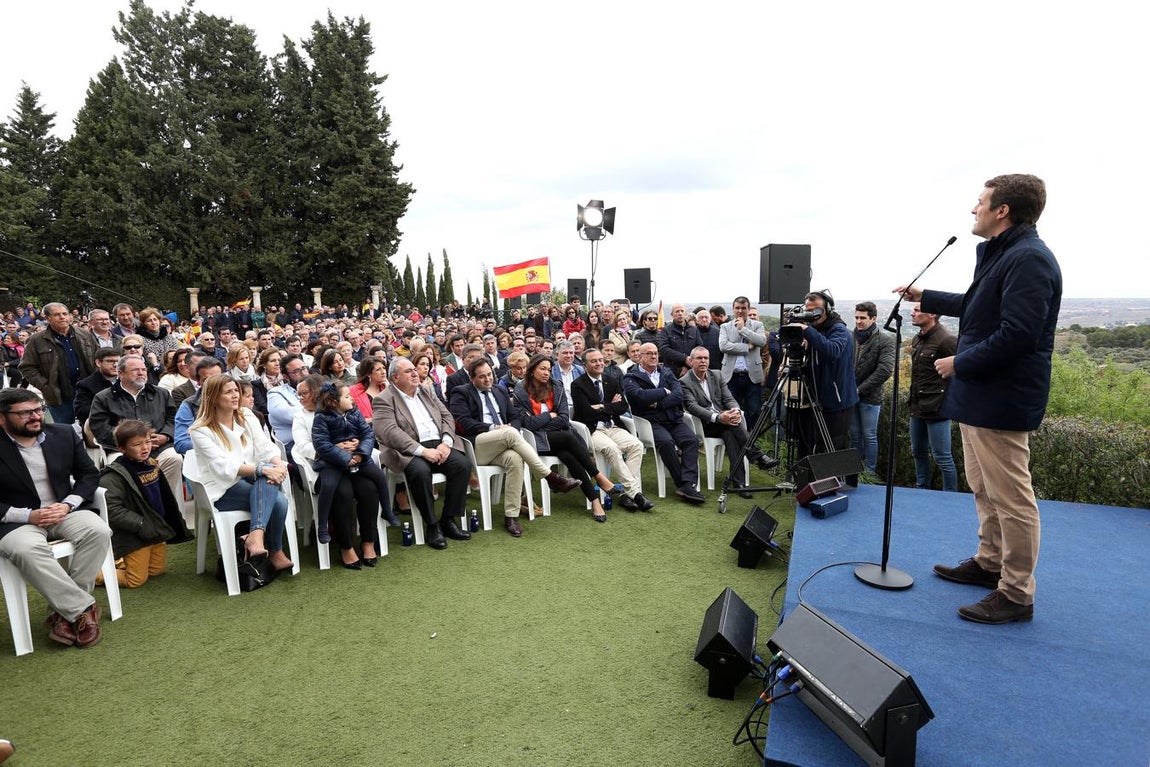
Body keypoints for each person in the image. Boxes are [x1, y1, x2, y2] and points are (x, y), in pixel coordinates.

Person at [897, 173, 1061, 624]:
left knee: (1011, 498)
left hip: (1001, 398)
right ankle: (990, 564)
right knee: (984, 489)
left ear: (1002, 210)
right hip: (980, 397)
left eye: (980, 201)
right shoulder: (1004, 254)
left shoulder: (1029, 259)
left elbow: (1019, 334)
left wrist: (959, 364)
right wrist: (926, 295)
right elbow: (980, 306)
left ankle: (1016, 593)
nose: (974, 208)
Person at [0, 388, 111, 648]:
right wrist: (28, 515)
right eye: (25, 413)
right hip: (16, 520)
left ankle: (64, 614)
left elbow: (89, 476)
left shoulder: (62, 433)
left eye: (38, 409)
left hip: (63, 510)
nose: (35, 417)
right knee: (26, 550)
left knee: (98, 532)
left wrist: (67, 504)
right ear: (2, 418)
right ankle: (83, 609)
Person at [448, 358, 583, 537]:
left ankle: (511, 516)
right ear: (472, 378)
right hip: (479, 446)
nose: (488, 379)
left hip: (504, 442)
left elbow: (515, 417)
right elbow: (463, 422)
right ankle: (550, 477)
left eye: (490, 375)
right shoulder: (461, 392)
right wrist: (495, 428)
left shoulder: (499, 391)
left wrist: (513, 430)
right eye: (482, 377)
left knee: (515, 458)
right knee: (510, 433)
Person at [189, 374, 294, 571]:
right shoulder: (200, 430)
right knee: (278, 501)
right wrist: (263, 469)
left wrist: (278, 464)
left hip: (250, 478)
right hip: (220, 487)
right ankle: (274, 551)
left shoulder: (245, 414)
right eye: (228, 392)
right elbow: (223, 467)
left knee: (268, 480)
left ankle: (255, 537)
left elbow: (265, 446)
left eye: (236, 390)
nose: (235, 395)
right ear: (213, 397)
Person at [372, 358, 472, 550]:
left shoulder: (426, 391)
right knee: (419, 472)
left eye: (414, 369)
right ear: (395, 377)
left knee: (462, 466)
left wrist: (446, 442)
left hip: (439, 443)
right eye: (408, 371)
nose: (415, 373)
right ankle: (432, 525)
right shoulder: (384, 399)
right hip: (408, 450)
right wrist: (422, 451)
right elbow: (390, 432)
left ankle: (448, 520)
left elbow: (446, 416)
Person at [510, 355, 621, 522]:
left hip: (558, 437)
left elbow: (563, 418)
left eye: (548, 369)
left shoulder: (556, 386)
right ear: (532, 371)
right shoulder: (521, 391)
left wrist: (543, 421)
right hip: (535, 440)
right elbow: (528, 424)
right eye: (542, 369)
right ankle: (598, 476)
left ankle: (595, 501)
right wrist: (549, 415)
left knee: (568, 456)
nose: (547, 373)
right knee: (567, 436)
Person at [311, 381, 399, 565]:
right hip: (334, 465)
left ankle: (369, 541)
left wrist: (359, 451)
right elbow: (321, 444)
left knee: (370, 489)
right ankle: (345, 546)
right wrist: (343, 455)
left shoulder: (354, 412)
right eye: (347, 396)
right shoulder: (321, 418)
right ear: (334, 401)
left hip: (358, 462)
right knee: (342, 493)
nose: (352, 398)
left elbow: (368, 435)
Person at [97, 420, 192, 587]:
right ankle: (94, 575)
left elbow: (165, 496)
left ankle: (120, 562)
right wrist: (141, 524)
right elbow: (112, 510)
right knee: (136, 580)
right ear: (122, 448)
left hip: (155, 529)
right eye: (137, 444)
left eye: (148, 442)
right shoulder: (113, 476)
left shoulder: (152, 464)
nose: (145, 447)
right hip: (135, 534)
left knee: (156, 570)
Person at [680, 347, 777, 497]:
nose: (703, 361)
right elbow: (693, 407)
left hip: (723, 422)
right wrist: (718, 417)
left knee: (732, 434)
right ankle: (758, 457)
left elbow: (728, 398)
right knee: (734, 426)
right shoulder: (684, 382)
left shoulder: (716, 375)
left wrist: (736, 411)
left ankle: (739, 483)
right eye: (699, 358)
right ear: (691, 361)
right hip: (704, 425)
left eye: (706, 358)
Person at [571, 349, 653, 511]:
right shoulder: (578, 385)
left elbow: (622, 406)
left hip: (613, 426)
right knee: (612, 449)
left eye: (601, 360)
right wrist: (610, 406)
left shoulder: (611, 379)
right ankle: (636, 493)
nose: (599, 363)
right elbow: (585, 413)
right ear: (585, 365)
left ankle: (625, 495)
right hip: (593, 430)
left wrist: (601, 406)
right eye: (594, 361)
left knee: (637, 445)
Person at [623, 344, 704, 504]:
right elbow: (640, 397)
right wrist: (664, 392)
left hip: (673, 419)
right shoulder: (630, 377)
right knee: (666, 442)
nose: (654, 357)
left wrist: (658, 403)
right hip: (650, 422)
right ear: (640, 356)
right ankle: (683, 484)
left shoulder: (666, 372)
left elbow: (679, 395)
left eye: (656, 354)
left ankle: (688, 483)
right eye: (649, 354)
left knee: (691, 440)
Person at [790, 290, 857, 464]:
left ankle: (833, 485)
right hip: (816, 398)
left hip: (837, 400)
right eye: (809, 310)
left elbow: (832, 350)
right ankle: (810, 480)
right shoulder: (815, 330)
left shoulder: (839, 329)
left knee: (832, 446)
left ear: (827, 308)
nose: (813, 314)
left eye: (816, 310)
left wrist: (808, 332)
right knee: (813, 443)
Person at [18, 302, 98, 425]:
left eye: (65, 314)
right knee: (64, 432)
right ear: (47, 318)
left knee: (92, 429)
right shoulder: (36, 340)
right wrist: (46, 386)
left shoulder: (85, 334)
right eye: (57, 315)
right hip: (59, 395)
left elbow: (98, 359)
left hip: (88, 392)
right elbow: (27, 367)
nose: (62, 317)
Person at [907, 304, 958, 492]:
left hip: (938, 408)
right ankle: (922, 489)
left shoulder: (946, 339)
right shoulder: (917, 339)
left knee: (942, 457)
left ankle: (950, 497)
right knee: (918, 452)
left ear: (933, 313)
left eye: (917, 310)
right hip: (917, 406)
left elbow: (960, 370)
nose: (912, 313)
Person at [851, 301, 895, 477]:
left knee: (869, 435)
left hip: (870, 397)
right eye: (856, 317)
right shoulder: (851, 337)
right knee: (854, 436)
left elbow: (884, 370)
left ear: (873, 318)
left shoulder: (885, 340)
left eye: (863, 318)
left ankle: (869, 473)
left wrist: (859, 389)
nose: (858, 321)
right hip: (851, 395)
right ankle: (853, 472)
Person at [718, 296, 767, 433]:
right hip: (731, 375)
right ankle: (734, 436)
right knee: (731, 407)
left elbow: (761, 341)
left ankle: (751, 437)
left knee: (754, 408)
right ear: (733, 309)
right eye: (737, 308)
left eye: (743, 308)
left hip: (751, 375)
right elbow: (723, 346)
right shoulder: (725, 326)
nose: (740, 311)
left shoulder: (757, 325)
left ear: (748, 309)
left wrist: (743, 329)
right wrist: (747, 347)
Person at [656, 303, 700, 378]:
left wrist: (687, 365)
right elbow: (663, 349)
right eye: (677, 311)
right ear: (672, 314)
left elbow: (699, 348)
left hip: (691, 370)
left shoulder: (694, 330)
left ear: (685, 313)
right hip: (672, 372)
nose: (680, 313)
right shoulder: (666, 330)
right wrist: (684, 358)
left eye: (682, 311)